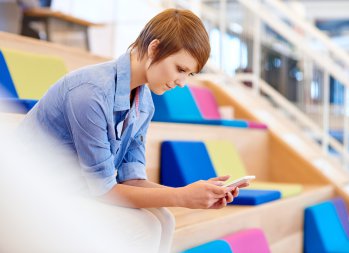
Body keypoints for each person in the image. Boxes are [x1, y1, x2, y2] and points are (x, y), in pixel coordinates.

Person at [20, 8, 247, 252]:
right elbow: (104, 189)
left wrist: (192, 194)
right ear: (155, 48)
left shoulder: (145, 103)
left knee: (163, 219)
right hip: (27, 194)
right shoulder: (90, 93)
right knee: (143, 227)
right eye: (180, 69)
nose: (182, 83)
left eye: (189, 74)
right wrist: (181, 197)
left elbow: (132, 179)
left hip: (74, 191)